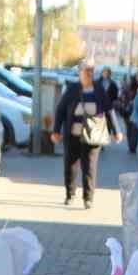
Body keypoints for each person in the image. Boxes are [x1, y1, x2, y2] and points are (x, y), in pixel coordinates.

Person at [52, 63, 120, 209]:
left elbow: (109, 110)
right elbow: (60, 110)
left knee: (89, 167)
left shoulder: (99, 89)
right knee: (70, 166)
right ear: (80, 72)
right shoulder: (72, 89)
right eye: (86, 70)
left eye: (91, 70)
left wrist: (117, 131)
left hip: (93, 135)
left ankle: (88, 198)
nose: (89, 73)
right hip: (73, 135)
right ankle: (70, 194)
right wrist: (56, 131)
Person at [119, 70, 138, 154]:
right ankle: (130, 145)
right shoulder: (129, 87)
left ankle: (133, 146)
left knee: (135, 129)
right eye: (137, 76)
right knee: (128, 129)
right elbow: (122, 96)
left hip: (137, 112)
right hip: (128, 111)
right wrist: (125, 101)